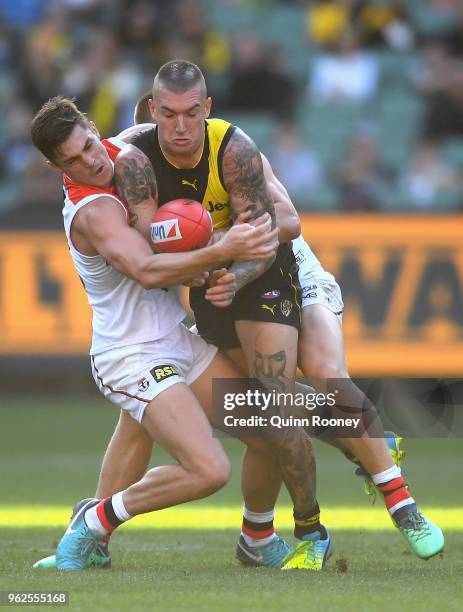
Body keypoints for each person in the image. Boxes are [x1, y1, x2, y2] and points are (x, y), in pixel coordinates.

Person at [113, 61, 443, 563]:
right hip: (222, 277)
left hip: (286, 269)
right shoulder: (134, 158)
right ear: (153, 111)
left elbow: (285, 222)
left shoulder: (234, 148)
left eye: (190, 115)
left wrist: (221, 254)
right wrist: (214, 258)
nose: (180, 128)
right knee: (270, 407)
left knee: (327, 374)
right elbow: (150, 248)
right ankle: (273, 523)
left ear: (206, 110)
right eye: (168, 116)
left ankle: (398, 503)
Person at [29, 96, 326, 572]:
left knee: (269, 429)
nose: (89, 161)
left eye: (87, 145)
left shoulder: (123, 151)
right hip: (130, 354)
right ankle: (93, 520)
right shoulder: (93, 210)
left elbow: (154, 134)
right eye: (72, 160)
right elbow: (148, 269)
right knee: (209, 470)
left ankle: (255, 537)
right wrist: (221, 248)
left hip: (176, 337)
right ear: (55, 166)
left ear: (91, 127)